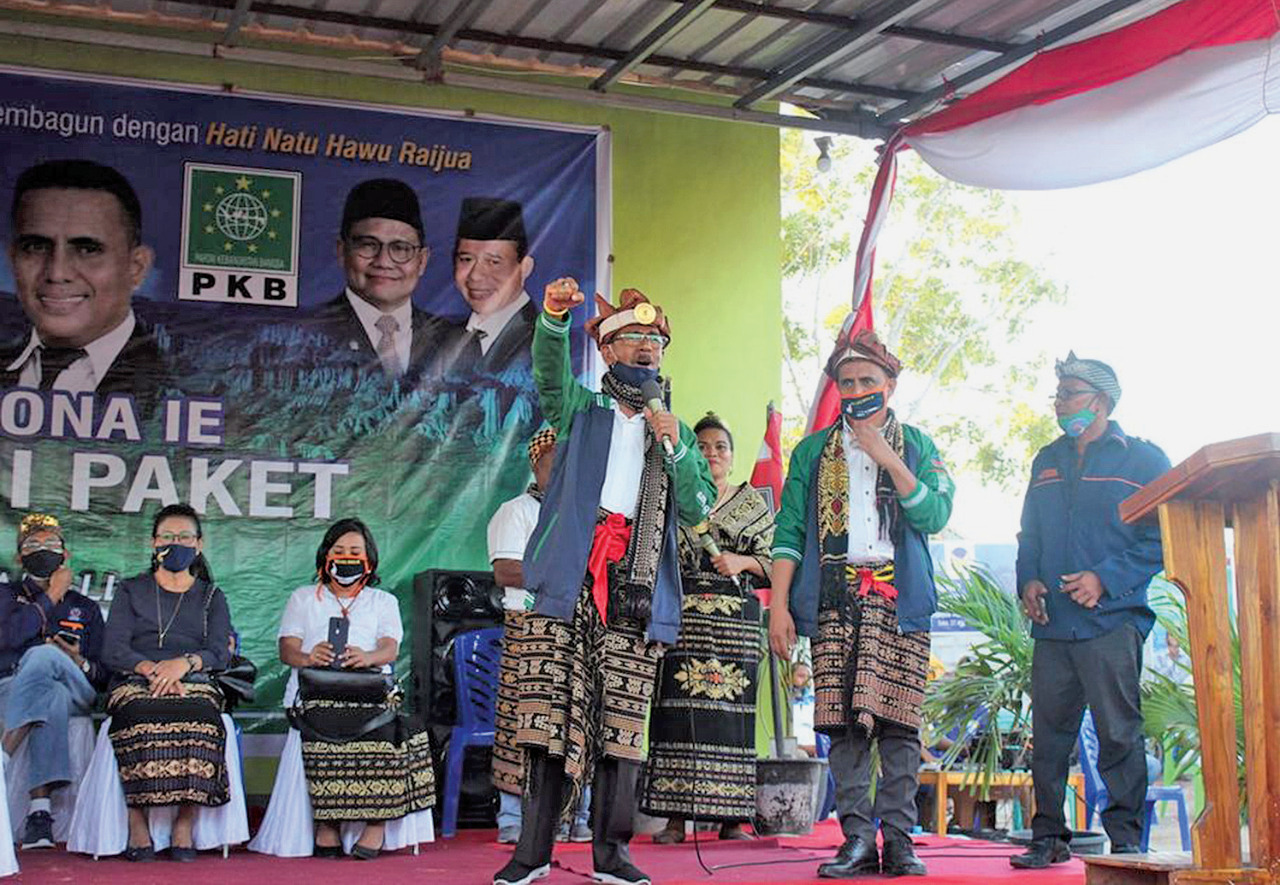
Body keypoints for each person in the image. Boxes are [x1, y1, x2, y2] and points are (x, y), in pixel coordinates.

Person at [493, 280, 715, 885]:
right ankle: (530, 854)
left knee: (622, 725)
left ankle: (613, 854)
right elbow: (545, 371)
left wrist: (677, 447)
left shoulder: (675, 433)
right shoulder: (578, 409)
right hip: (566, 577)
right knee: (543, 720)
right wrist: (554, 317)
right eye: (634, 338)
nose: (647, 348)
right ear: (609, 351)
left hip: (634, 587)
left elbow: (698, 507)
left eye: (655, 341)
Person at [768, 330, 954, 878]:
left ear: (890, 386)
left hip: (899, 598)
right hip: (834, 598)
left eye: (867, 381)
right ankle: (854, 839)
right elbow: (788, 531)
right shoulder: (811, 451)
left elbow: (935, 515)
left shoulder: (918, 444)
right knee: (843, 728)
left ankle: (899, 841)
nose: (855, 391)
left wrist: (888, 458)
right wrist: (779, 606)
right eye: (846, 383)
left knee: (900, 727)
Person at [1009, 353, 1170, 868]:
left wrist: (1105, 579)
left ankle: (1125, 843)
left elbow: (1163, 539)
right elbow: (1028, 532)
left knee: (1118, 734)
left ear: (1100, 401)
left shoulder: (1145, 462)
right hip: (1053, 625)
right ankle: (1048, 838)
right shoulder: (1047, 459)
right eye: (1057, 396)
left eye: (1069, 395)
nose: (1060, 405)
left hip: (1112, 622)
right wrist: (1027, 580)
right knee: (1049, 739)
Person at [642, 412, 774, 843]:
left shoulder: (753, 502)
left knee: (730, 720)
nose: (712, 453)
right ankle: (676, 819)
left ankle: (731, 819)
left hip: (736, 623)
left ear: (732, 457)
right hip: (681, 619)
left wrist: (742, 561)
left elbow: (777, 563)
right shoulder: (675, 498)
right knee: (676, 715)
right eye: (702, 447)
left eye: (720, 447)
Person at [270, 518, 434, 859]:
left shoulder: (382, 601)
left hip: (368, 693)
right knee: (323, 722)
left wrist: (367, 657)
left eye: (354, 552)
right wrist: (307, 656)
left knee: (387, 727)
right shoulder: (303, 597)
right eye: (339, 550)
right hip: (314, 693)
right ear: (325, 556)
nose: (346, 558)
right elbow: (287, 650)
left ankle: (376, 824)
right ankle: (326, 823)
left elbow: (390, 650)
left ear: (369, 559)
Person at [101, 503, 233, 862]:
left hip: (193, 680)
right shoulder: (131, 590)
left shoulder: (211, 596)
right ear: (153, 543)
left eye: (185, 537)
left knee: (202, 717)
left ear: (199, 545)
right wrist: (152, 670)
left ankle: (185, 821)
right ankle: (136, 818)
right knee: (139, 713)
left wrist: (183, 665)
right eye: (168, 537)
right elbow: (113, 649)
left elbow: (220, 652)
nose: (176, 544)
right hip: (135, 678)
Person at [488, 427, 592, 845]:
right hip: (528, 627)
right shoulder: (517, 511)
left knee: (577, 721)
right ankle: (512, 818)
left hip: (576, 628)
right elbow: (506, 571)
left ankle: (576, 816)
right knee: (521, 720)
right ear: (537, 464)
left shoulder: (585, 514)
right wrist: (562, 571)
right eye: (555, 461)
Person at [2, 159, 168, 413]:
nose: (57, 273)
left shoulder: (186, 382)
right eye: (36, 247)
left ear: (136, 268)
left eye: (87, 249)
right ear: (14, 259)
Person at [0, 513, 107, 850]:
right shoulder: (5, 595)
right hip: (11, 686)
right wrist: (53, 594)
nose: (42, 549)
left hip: (80, 687)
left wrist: (77, 660)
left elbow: (104, 674)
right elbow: (9, 635)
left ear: (66, 555)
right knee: (52, 693)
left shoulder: (85, 607)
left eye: (51, 544)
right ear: (19, 556)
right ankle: (40, 814)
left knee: (45, 658)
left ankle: (2, 755)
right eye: (33, 544)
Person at [305, 178, 449, 384]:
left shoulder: (453, 341)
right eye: (368, 245)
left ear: (422, 261)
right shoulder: (307, 334)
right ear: (341, 252)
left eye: (400, 248)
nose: (383, 262)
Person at [440, 197, 538, 376]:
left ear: (524, 268)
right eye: (466, 259)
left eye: (493, 262)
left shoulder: (549, 341)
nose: (476, 275)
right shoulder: (441, 339)